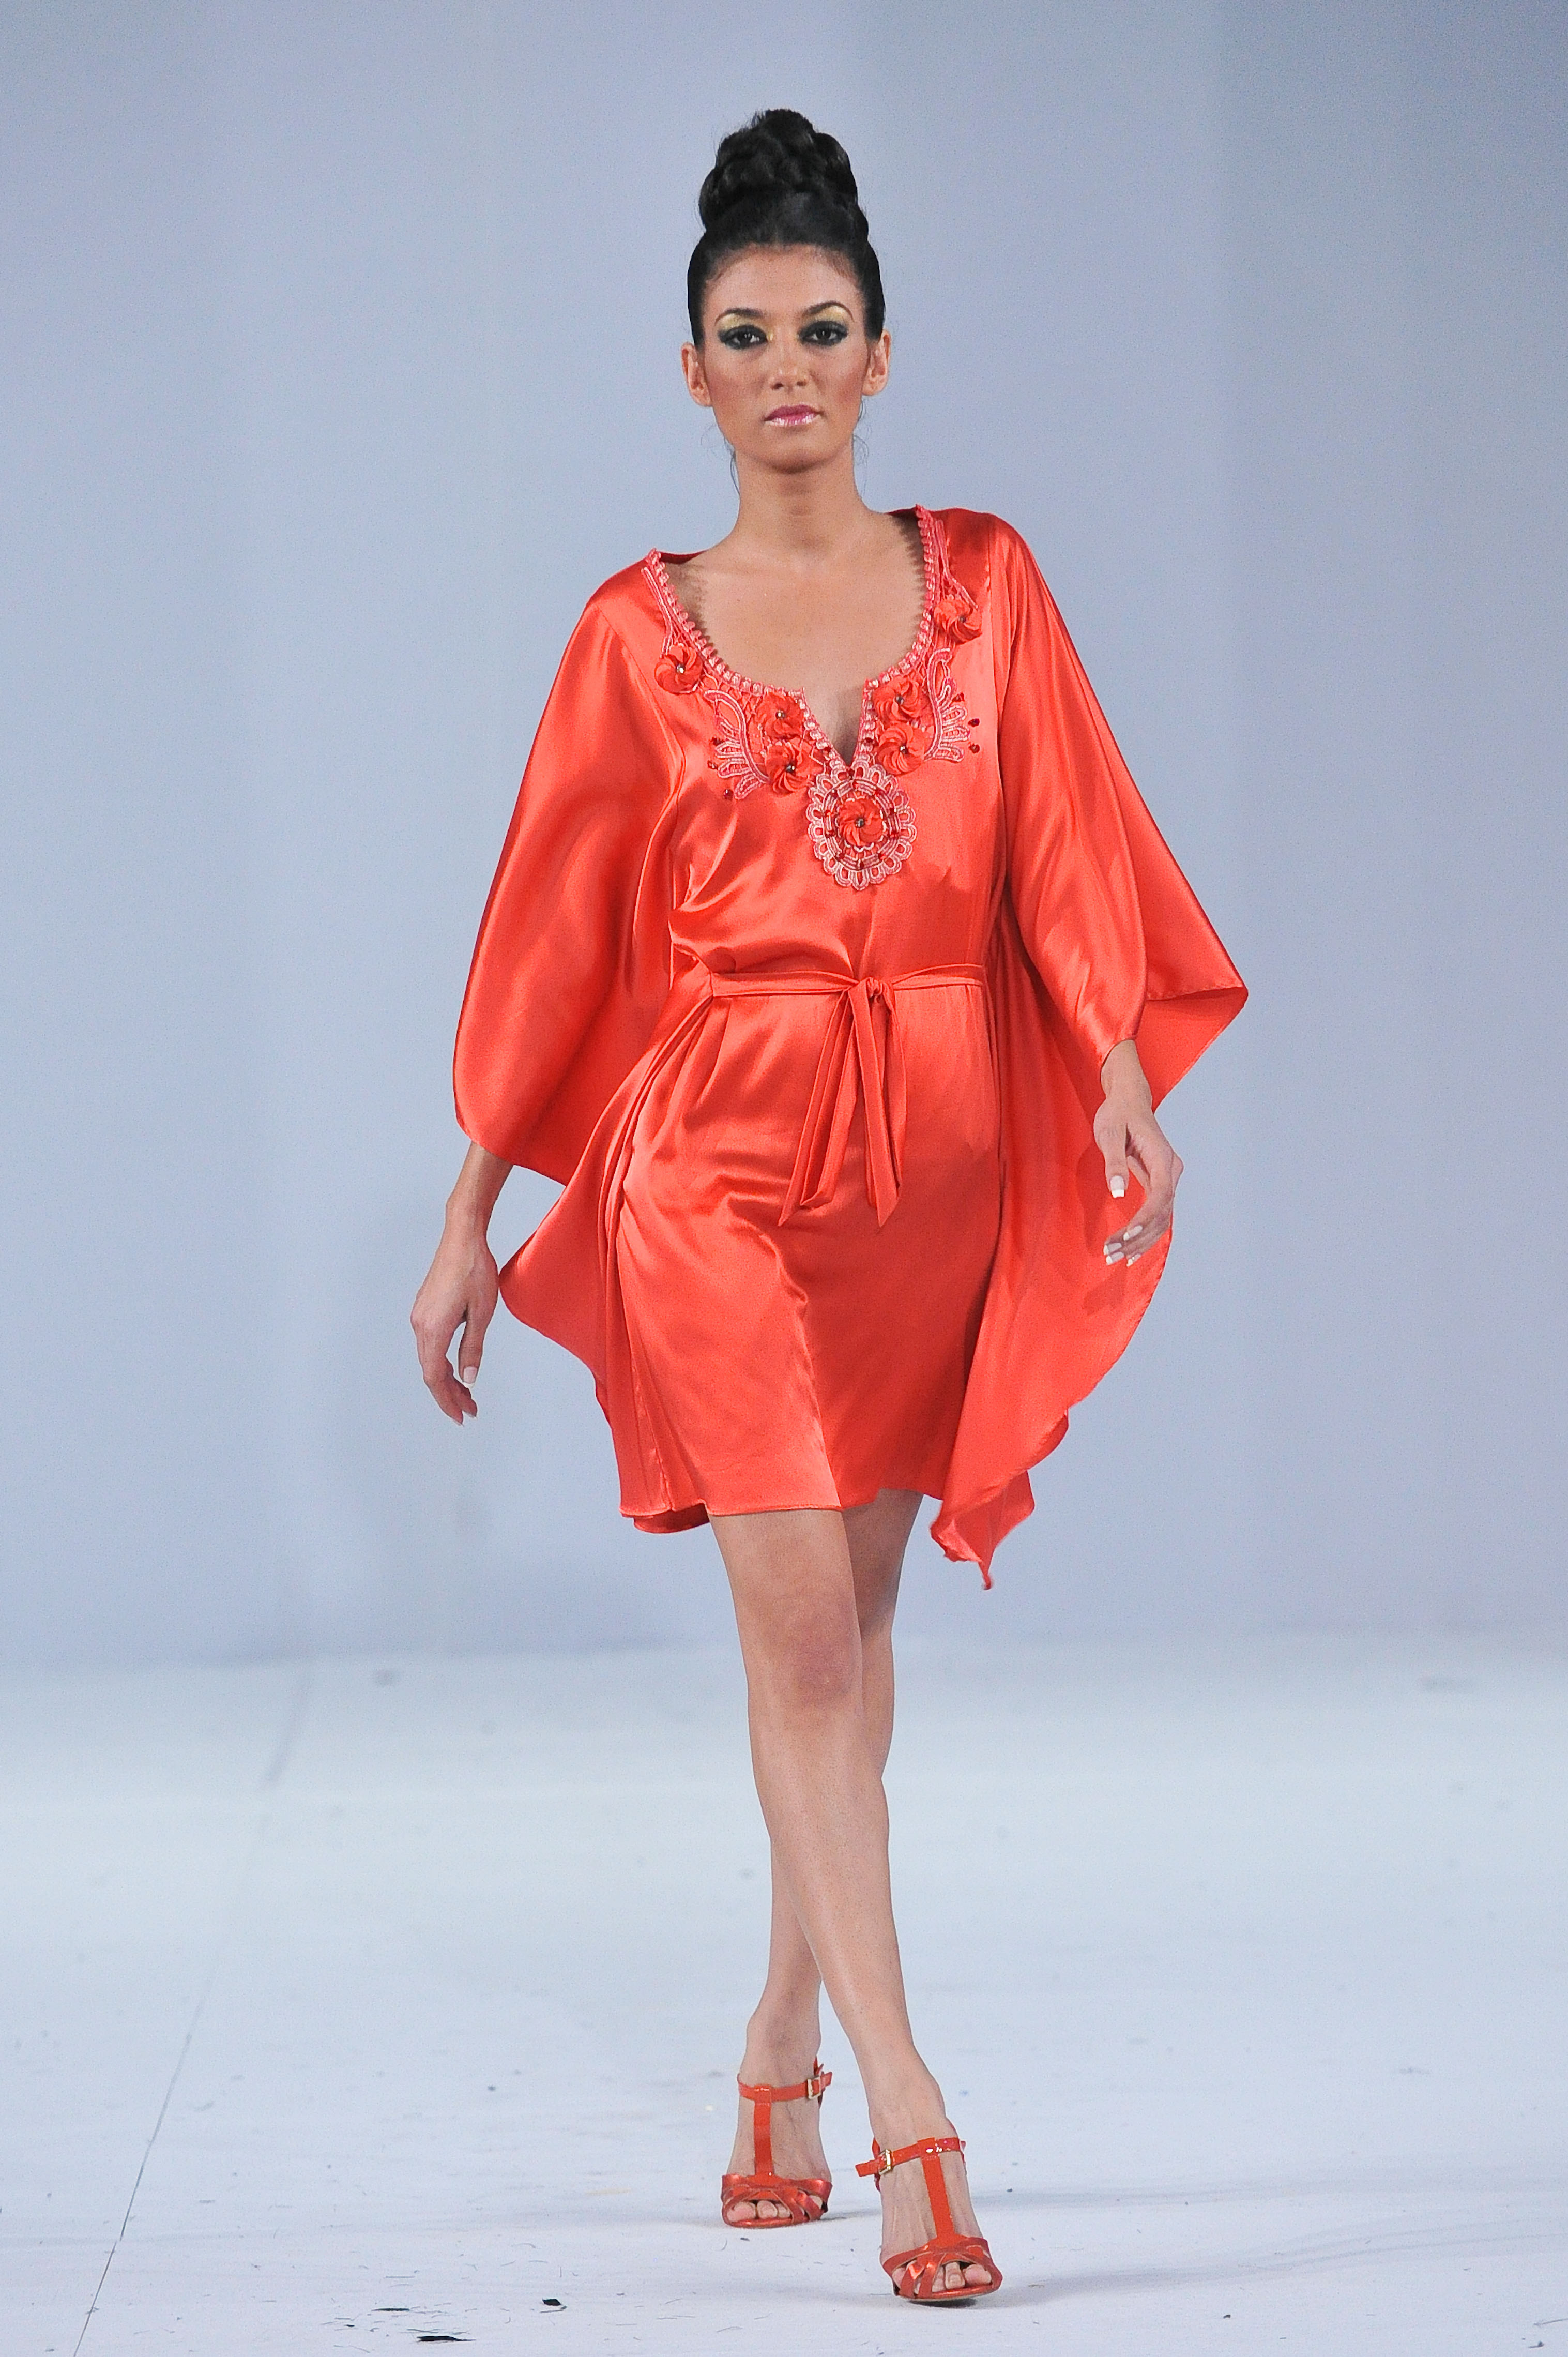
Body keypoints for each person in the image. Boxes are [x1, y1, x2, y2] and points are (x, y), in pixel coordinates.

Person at [412, 106, 1245, 2306]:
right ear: (689, 370)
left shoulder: (986, 583)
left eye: (821, 329)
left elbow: (1063, 844)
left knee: (854, 1646)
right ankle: (910, 2109)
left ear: (880, 355)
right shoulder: (635, 632)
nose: (786, 367)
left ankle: (778, 2033)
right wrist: (472, 1207)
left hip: (936, 1165)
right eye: (746, 334)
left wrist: (1122, 1074)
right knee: (795, 1635)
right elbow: (548, 934)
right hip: (715, 1159)